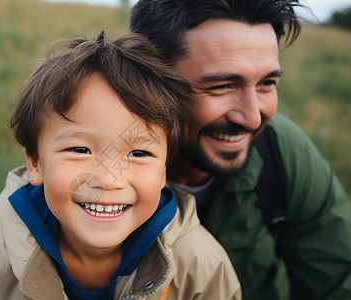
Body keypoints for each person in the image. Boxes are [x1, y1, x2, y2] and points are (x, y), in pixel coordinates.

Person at [0, 31, 241, 300]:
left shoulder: (199, 262)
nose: (107, 179)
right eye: (79, 149)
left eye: (139, 154)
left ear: (164, 171)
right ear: (35, 163)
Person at [130, 0, 351, 299]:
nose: (253, 118)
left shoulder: (281, 150)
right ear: (149, 80)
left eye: (267, 83)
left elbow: (337, 285)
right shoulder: (87, 162)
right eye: (221, 86)